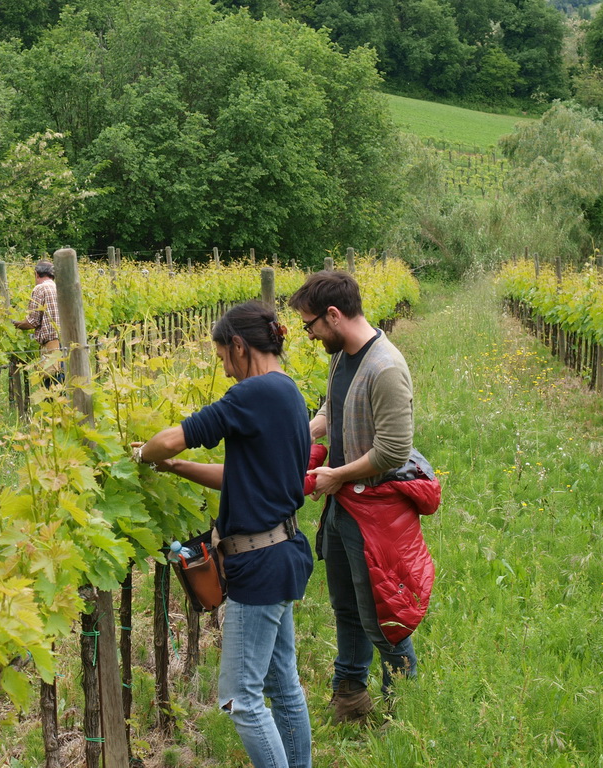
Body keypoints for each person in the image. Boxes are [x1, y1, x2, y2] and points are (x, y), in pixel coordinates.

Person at [133, 301, 314, 768]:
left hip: (260, 565)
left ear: (239, 345)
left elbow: (172, 438)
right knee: (283, 687)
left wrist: (147, 456)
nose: (226, 372)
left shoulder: (251, 395)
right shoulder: (288, 393)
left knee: (240, 699)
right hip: (283, 551)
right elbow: (239, 473)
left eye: (222, 360)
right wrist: (175, 469)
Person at [289, 270, 436, 725]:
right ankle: (350, 696)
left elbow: (392, 450)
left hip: (375, 510)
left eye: (310, 324)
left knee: (383, 619)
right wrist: (298, 433)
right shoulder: (342, 357)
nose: (309, 334)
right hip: (343, 505)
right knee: (346, 606)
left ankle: (402, 711)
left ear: (334, 316)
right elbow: (332, 410)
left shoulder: (385, 367)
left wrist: (336, 476)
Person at [12, 260, 62, 382]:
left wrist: (14, 324)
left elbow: (32, 322)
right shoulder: (59, 288)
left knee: (51, 383)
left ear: (36, 274)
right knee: (63, 383)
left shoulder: (40, 288)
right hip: (66, 343)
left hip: (52, 345)